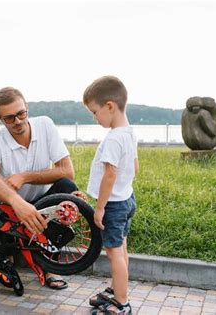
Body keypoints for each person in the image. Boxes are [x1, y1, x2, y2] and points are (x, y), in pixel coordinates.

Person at [0, 86, 81, 289]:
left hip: (43, 206)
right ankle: (7, 259)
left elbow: (67, 171)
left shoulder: (45, 125)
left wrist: (25, 177)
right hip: (11, 210)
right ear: (0, 119)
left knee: (67, 187)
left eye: (21, 114)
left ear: (27, 108)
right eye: (9, 118)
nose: (17, 122)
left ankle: (49, 261)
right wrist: (18, 203)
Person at [83, 76, 139, 314]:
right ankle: (118, 289)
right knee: (122, 247)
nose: (94, 118)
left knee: (114, 253)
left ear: (109, 106)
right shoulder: (128, 132)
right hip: (127, 199)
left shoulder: (114, 138)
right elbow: (135, 167)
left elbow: (109, 175)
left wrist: (100, 207)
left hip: (114, 205)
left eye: (94, 112)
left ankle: (121, 302)